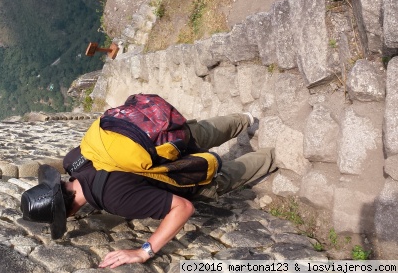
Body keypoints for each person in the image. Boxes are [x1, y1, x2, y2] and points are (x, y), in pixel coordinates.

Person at [21, 108, 276, 269]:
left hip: (182, 172)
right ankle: (248, 118)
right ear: (58, 182)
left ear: (69, 214)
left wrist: (144, 252)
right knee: (203, 132)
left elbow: (182, 208)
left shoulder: (114, 198)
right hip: (165, 134)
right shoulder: (74, 160)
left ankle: (272, 155)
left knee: (222, 180)